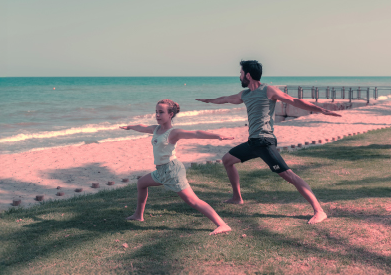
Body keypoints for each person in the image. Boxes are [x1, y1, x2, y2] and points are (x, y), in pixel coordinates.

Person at [197, 60, 341, 224]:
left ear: (248, 75)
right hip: (253, 143)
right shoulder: (245, 94)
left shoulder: (268, 90)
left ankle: (319, 211)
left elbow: (293, 100)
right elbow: (226, 99)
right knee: (227, 160)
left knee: (288, 175)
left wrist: (322, 110)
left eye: (241, 73)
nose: (239, 76)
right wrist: (208, 100)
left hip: (264, 142)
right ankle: (237, 198)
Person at [121, 99, 233, 235]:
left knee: (193, 201)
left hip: (172, 171)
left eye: (161, 112)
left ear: (170, 114)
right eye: (156, 112)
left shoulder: (173, 132)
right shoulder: (155, 129)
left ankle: (222, 224)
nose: (157, 115)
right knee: (141, 183)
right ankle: (138, 215)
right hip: (161, 171)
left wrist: (218, 136)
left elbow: (196, 133)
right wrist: (129, 127)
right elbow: (141, 127)